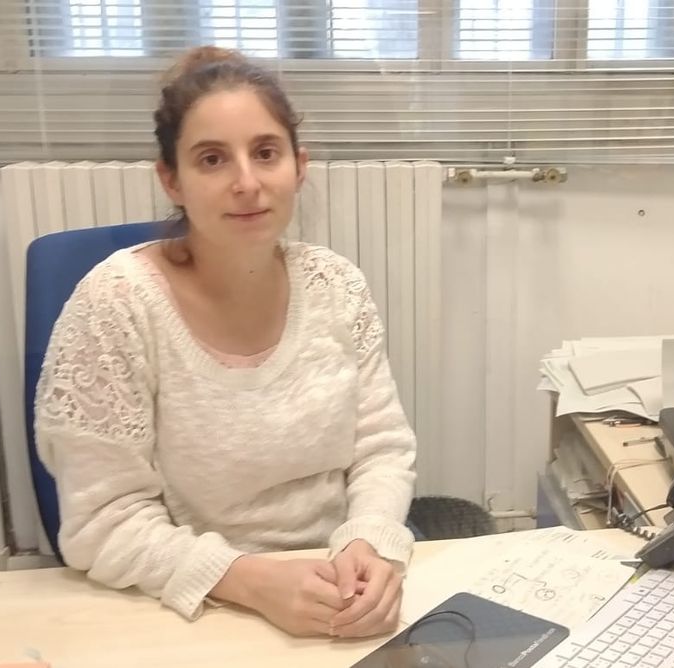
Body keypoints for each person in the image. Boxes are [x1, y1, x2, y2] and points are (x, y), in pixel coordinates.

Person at [34, 46, 417, 639]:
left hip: (337, 590)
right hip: (189, 606)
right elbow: (103, 521)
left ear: (299, 166)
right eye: (212, 159)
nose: (247, 183)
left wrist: (368, 544)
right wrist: (251, 582)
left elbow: (381, 449)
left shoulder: (337, 285)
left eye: (266, 153)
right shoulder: (116, 304)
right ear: (172, 180)